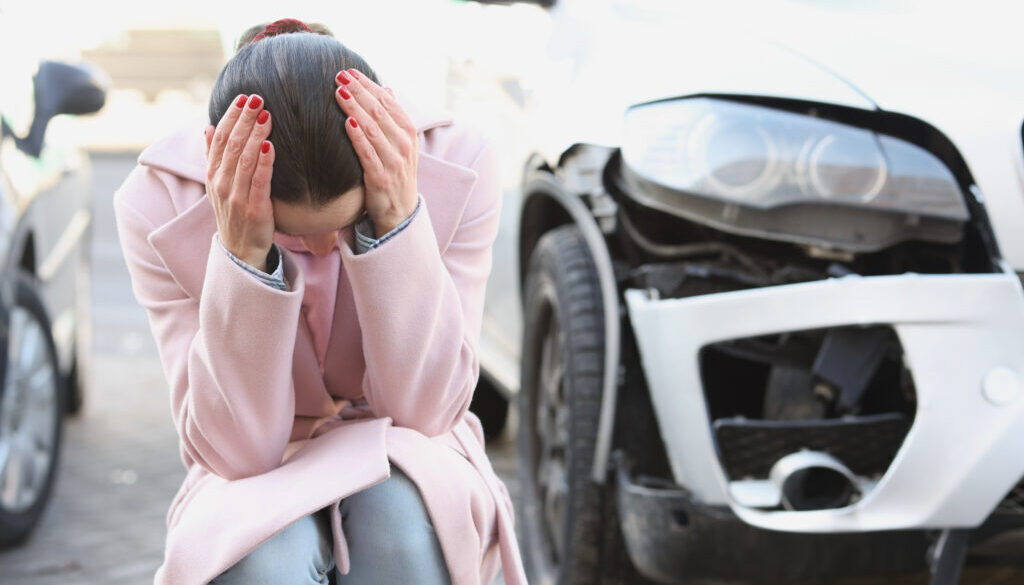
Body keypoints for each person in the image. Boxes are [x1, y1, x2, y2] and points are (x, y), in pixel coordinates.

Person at [113, 18, 526, 585]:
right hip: (255, 470)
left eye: (347, 222)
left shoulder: (459, 160)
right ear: (218, 167)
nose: (321, 248)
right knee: (263, 553)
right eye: (289, 232)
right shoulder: (155, 201)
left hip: (411, 444)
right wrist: (243, 258)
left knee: (399, 517)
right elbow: (238, 453)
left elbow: (426, 412)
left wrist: (397, 225)